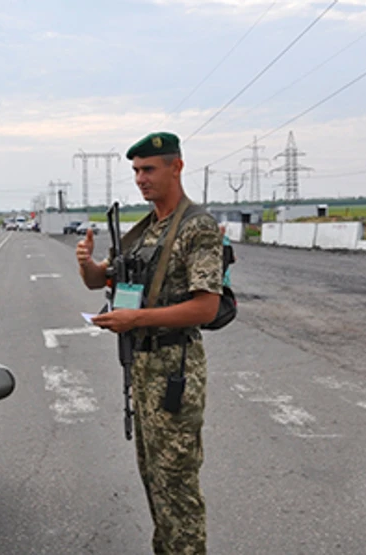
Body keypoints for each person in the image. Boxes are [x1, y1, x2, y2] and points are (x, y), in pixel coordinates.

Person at [76, 131, 222, 554]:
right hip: (143, 373)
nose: (140, 179)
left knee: (177, 487)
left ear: (176, 167)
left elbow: (206, 307)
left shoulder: (198, 227)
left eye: (149, 169)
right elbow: (99, 280)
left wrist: (135, 318)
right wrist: (86, 264)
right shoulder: (144, 229)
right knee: (154, 481)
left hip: (175, 371)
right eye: (136, 171)